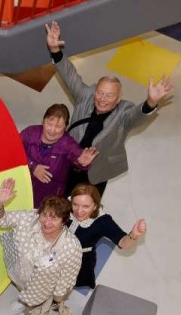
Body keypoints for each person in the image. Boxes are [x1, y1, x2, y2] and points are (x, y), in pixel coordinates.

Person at [45, 21, 174, 196]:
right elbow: (70, 76)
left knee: (85, 214)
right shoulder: (86, 95)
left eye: (109, 96)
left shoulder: (123, 112)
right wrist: (55, 50)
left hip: (95, 173)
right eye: (100, 93)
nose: (102, 99)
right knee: (56, 203)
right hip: (68, 163)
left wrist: (150, 102)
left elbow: (135, 117)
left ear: (119, 98)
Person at [0, 178, 82, 315]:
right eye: (44, 215)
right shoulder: (29, 217)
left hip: (43, 287)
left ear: (63, 221)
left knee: (38, 300)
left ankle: (28, 311)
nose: (46, 223)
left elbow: (67, 277)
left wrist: (56, 301)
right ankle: (23, 300)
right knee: (22, 287)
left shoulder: (71, 246)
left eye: (54, 219)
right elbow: (1, 220)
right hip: (21, 270)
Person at [70, 183, 147, 288]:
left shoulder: (103, 221)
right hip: (54, 256)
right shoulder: (65, 207)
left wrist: (133, 235)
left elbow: (124, 243)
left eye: (86, 206)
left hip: (77, 263)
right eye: (75, 204)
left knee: (62, 290)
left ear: (95, 206)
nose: (79, 211)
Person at [20, 103, 98, 208]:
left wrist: (83, 162)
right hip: (21, 187)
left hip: (49, 199)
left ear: (65, 127)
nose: (52, 130)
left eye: (58, 126)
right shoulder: (30, 132)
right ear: (43, 121)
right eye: (49, 124)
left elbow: (77, 155)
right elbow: (13, 151)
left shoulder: (67, 143)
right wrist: (33, 166)